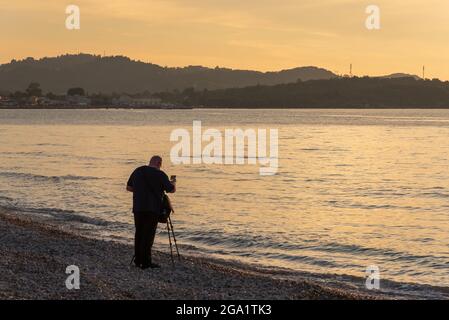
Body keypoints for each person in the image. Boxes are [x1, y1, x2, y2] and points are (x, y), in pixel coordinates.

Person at [126, 155, 176, 269]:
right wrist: (173, 182)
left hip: (138, 208)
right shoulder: (160, 174)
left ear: (150, 162)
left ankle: (138, 261)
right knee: (148, 236)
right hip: (152, 209)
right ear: (159, 163)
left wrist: (140, 191)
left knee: (139, 233)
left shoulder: (138, 171)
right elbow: (171, 190)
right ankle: (146, 263)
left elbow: (128, 187)